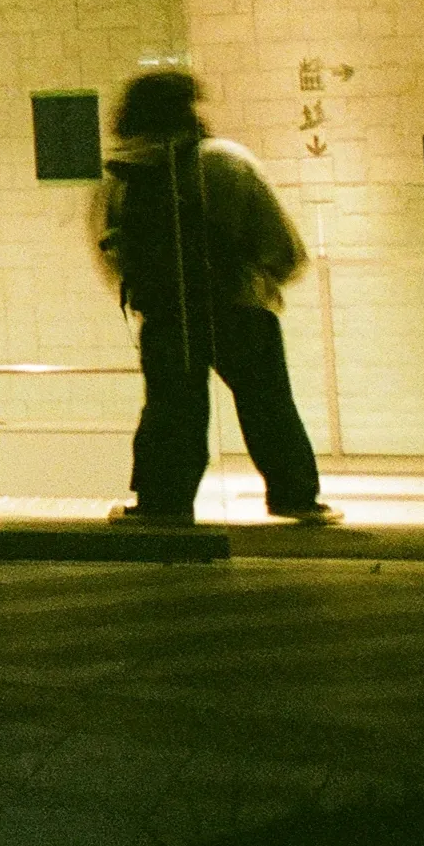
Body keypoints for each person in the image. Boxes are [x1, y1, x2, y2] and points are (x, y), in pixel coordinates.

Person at [92, 70, 332, 526]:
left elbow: (113, 254)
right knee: (267, 404)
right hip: (238, 305)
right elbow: (283, 246)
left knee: (170, 408)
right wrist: (266, 279)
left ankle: (162, 501)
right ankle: (294, 495)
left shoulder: (120, 178)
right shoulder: (225, 162)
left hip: (166, 313)